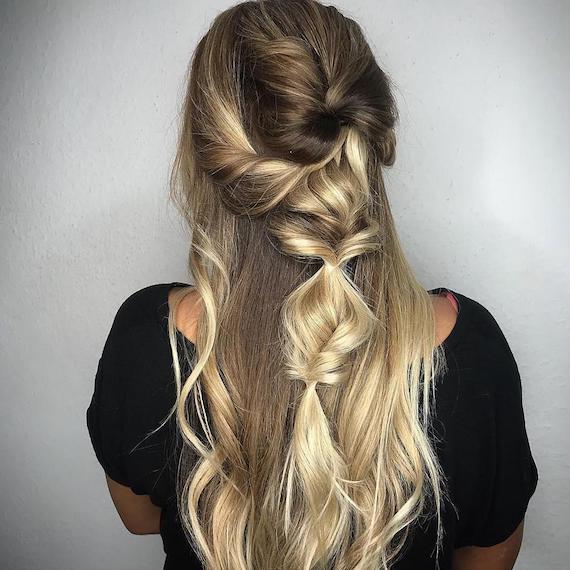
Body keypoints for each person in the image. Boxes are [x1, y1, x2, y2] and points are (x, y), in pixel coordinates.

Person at [86, 1, 539, 568]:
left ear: (208, 158)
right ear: (369, 139)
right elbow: (487, 560)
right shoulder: (472, 355)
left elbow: (140, 520)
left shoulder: (145, 341)